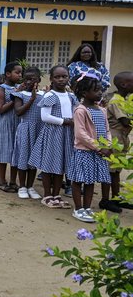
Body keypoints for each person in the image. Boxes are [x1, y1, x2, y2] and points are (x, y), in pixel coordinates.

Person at [29, 65, 78, 209]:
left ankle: (57, 195)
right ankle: (47, 195)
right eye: (57, 77)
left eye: (64, 76)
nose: (61, 79)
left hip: (67, 134)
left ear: (68, 77)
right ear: (51, 79)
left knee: (60, 165)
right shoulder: (50, 95)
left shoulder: (71, 96)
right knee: (49, 164)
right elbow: (45, 116)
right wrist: (65, 121)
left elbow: (76, 112)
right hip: (53, 133)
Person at [68, 73, 111, 222]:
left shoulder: (102, 110)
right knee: (78, 180)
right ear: (85, 93)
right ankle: (78, 209)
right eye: (96, 90)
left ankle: (87, 208)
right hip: (84, 151)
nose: (100, 92)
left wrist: (108, 145)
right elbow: (80, 134)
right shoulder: (80, 110)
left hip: (99, 152)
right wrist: (98, 147)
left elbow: (107, 130)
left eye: (100, 89)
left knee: (91, 181)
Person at [11, 67, 45, 199]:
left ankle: (31, 186)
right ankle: (22, 186)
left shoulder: (44, 95)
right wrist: (31, 99)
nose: (30, 82)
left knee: (33, 159)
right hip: (25, 129)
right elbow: (18, 112)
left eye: (33, 79)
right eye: (27, 79)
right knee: (23, 157)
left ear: (39, 80)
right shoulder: (20, 94)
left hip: (38, 129)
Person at [0, 62, 22, 192]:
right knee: (3, 151)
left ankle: (13, 181)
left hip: (17, 122)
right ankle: (1, 181)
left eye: (21, 72)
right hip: (4, 123)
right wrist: (15, 97)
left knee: (15, 152)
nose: (20, 75)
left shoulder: (20, 87)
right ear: (8, 74)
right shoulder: (1, 88)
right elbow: (0, 109)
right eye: (17, 72)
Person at [103, 71, 133, 212]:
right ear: (123, 84)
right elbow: (125, 121)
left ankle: (116, 198)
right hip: (114, 139)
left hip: (122, 139)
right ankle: (105, 200)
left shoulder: (124, 99)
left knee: (116, 171)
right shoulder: (116, 101)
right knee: (110, 170)